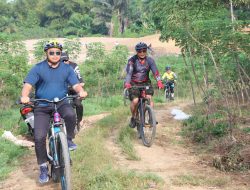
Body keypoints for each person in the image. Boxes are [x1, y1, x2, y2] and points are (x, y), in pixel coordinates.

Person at [20, 40, 88, 184]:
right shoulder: (38, 68)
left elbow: (75, 84)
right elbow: (28, 85)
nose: (55, 55)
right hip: (42, 106)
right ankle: (43, 167)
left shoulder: (67, 68)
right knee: (39, 137)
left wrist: (81, 91)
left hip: (62, 102)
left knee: (70, 115)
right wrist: (25, 96)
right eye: (52, 52)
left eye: (58, 52)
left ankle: (68, 139)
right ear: (46, 53)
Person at [124, 42, 164, 128]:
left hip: (145, 82)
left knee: (149, 98)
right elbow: (129, 73)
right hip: (133, 82)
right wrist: (127, 83)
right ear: (137, 52)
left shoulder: (150, 60)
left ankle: (151, 117)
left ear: (146, 51)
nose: (142, 53)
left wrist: (159, 82)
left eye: (144, 50)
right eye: (139, 51)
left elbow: (155, 72)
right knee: (135, 100)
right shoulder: (132, 61)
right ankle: (134, 117)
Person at [61, 51, 85, 127]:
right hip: (62, 90)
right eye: (62, 61)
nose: (64, 62)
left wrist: (76, 86)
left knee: (78, 104)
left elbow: (81, 81)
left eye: (66, 60)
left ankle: (79, 120)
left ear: (68, 59)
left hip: (74, 90)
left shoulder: (74, 66)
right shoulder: (56, 67)